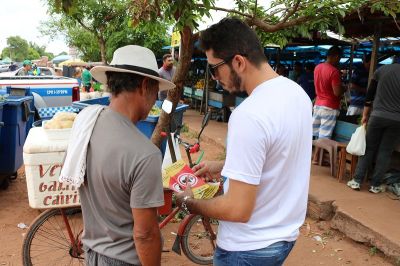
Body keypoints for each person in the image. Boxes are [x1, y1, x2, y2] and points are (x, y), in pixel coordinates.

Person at [175, 18, 312, 266]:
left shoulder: (249, 115)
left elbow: (237, 209)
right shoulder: (297, 95)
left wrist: (189, 202)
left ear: (238, 62)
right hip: (282, 239)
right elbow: (276, 156)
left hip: (246, 249)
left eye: (214, 68)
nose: (214, 77)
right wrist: (223, 166)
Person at [71, 45, 175, 265]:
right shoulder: (144, 154)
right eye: (156, 92)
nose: (155, 99)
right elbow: (145, 234)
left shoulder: (86, 121)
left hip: (92, 254)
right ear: (146, 86)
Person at [347, 62, 400, 193]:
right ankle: (375, 185)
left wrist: (365, 115)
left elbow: (369, 95)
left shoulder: (381, 70)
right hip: (396, 120)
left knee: (369, 148)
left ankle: (357, 181)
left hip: (377, 116)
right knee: (385, 152)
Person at [312, 46, 346, 164]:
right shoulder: (334, 71)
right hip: (329, 106)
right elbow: (337, 92)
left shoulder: (317, 67)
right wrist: (344, 88)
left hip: (318, 104)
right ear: (336, 56)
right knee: (324, 135)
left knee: (316, 134)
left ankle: (315, 157)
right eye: (339, 58)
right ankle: (316, 158)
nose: (339, 61)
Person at [346, 54, 371, 118]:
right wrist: (365, 90)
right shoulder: (358, 71)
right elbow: (351, 85)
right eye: (369, 64)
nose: (370, 66)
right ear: (366, 62)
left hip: (366, 106)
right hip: (356, 105)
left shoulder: (372, 72)